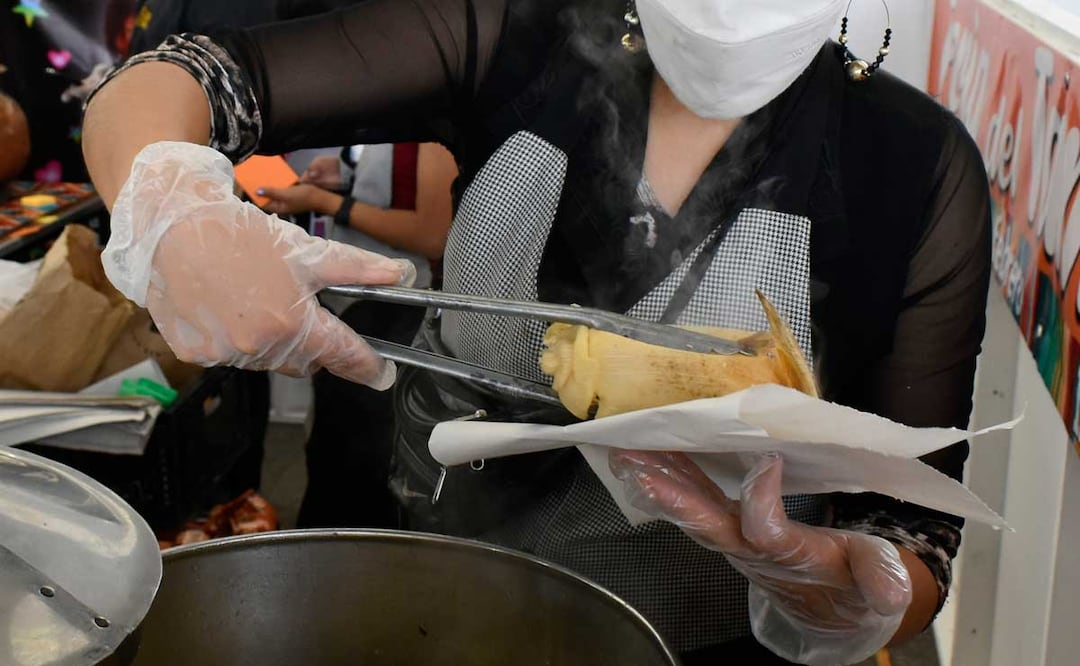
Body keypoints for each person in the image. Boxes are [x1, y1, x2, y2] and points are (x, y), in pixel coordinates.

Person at [80, 1, 991, 663]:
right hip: (441, 599)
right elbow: (189, 75)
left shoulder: (914, 163)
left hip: (705, 643)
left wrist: (839, 587)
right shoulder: (519, 32)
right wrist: (172, 208)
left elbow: (912, 531)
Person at [260, 141, 458, 528]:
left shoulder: (432, 128)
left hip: (397, 313)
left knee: (361, 455)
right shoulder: (395, 117)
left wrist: (327, 202)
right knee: (331, 442)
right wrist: (345, 174)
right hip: (358, 305)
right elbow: (399, 182)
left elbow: (432, 233)